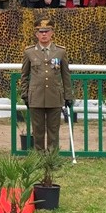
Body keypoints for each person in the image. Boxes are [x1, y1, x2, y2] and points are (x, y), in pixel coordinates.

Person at [20, 19, 73, 152]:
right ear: (36, 34)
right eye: (40, 32)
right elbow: (24, 75)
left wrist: (68, 95)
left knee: (53, 130)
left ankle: (51, 158)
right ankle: (39, 157)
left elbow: (65, 75)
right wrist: (25, 94)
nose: (44, 34)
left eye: (46, 31)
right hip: (36, 97)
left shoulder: (60, 52)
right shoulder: (29, 52)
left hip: (54, 96)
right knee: (37, 131)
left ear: (52, 33)